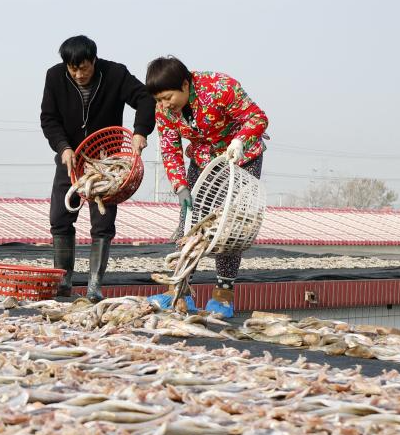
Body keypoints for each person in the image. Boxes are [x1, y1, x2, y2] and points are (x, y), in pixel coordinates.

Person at [145, 56, 268, 318]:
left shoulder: (220, 87)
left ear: (185, 85)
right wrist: (180, 186)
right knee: (189, 222)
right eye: (159, 100)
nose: (165, 105)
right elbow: (170, 147)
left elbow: (257, 117)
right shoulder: (164, 110)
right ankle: (179, 292)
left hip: (241, 158)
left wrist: (240, 140)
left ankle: (223, 295)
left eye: (168, 97)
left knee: (229, 225)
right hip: (203, 160)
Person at [40, 35, 155, 302]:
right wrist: (62, 146)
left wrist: (140, 132)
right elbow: (49, 118)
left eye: (84, 68)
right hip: (71, 157)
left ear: (94, 60)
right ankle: (64, 280)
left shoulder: (115, 73)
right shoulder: (55, 77)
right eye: (73, 68)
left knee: (102, 223)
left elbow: (145, 98)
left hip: (106, 161)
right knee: (60, 218)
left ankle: (94, 285)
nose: (79, 74)